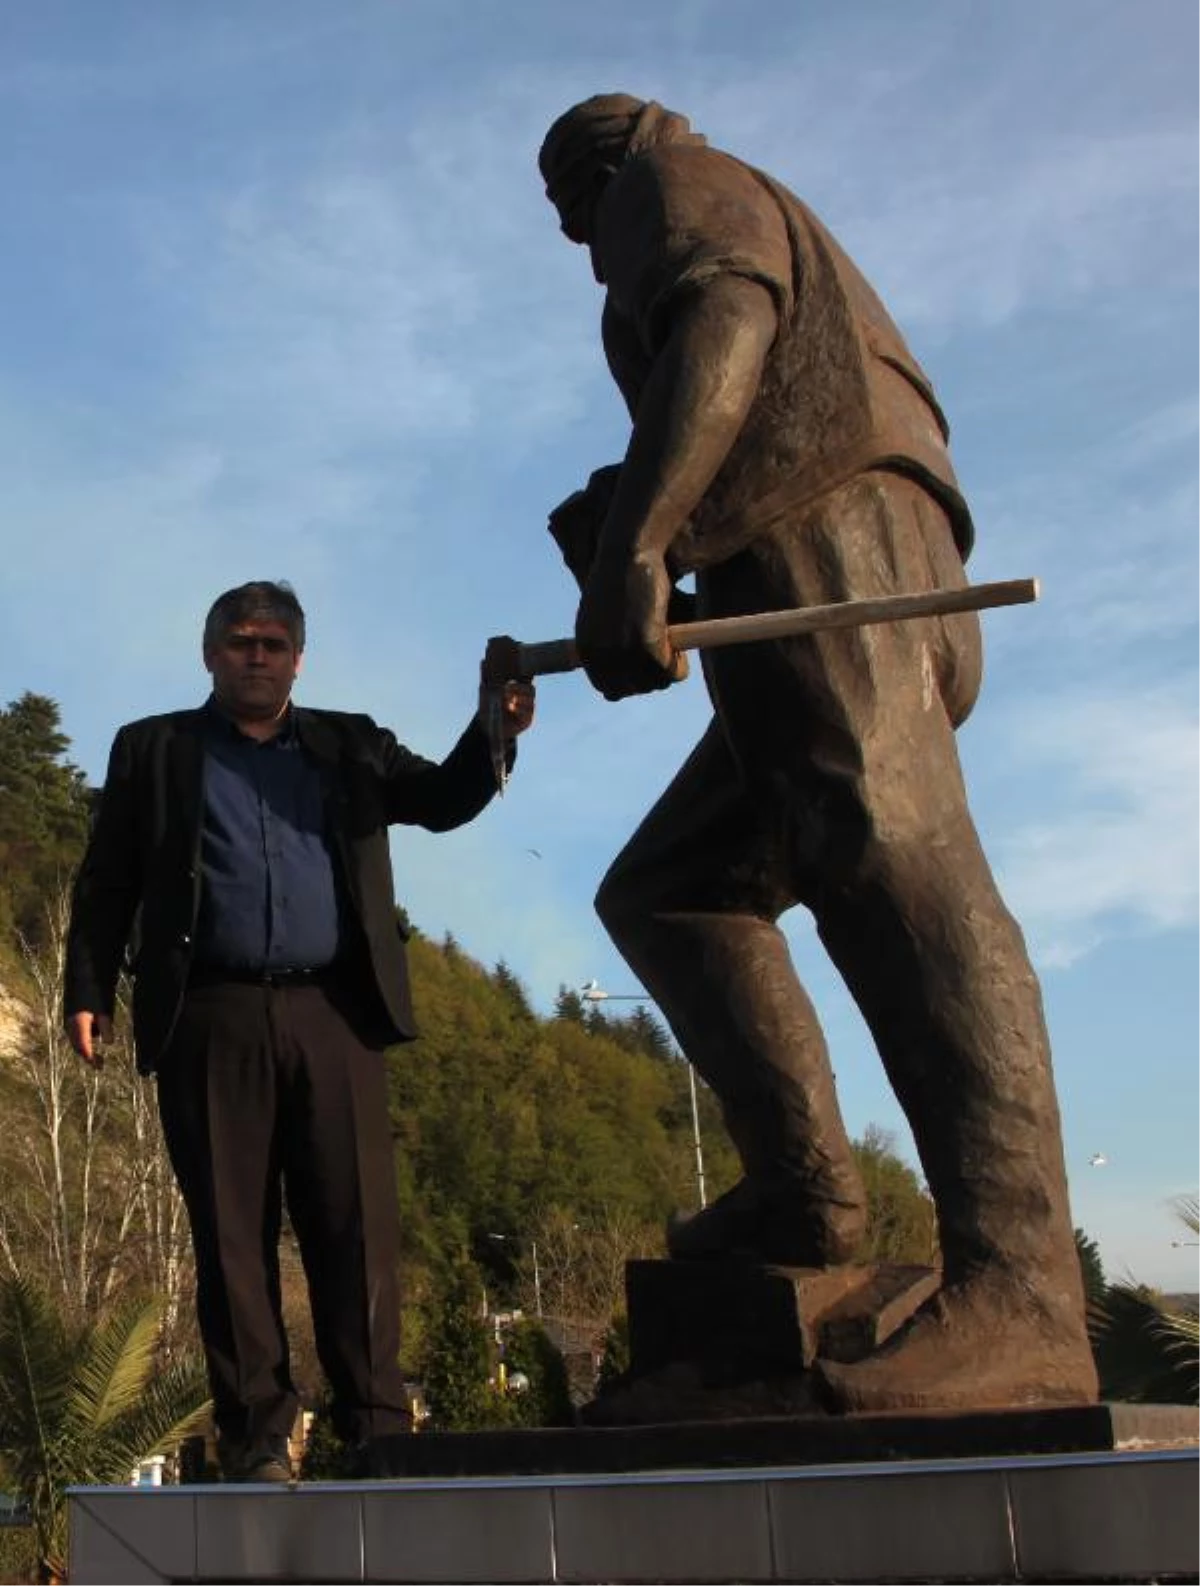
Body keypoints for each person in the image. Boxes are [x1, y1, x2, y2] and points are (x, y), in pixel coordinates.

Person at [539, 95, 1096, 1411]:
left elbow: (729, 321)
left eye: (570, 205)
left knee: (901, 870)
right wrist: (631, 516)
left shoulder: (674, 183)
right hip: (843, 556)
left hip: (834, 542)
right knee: (675, 885)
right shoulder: (715, 195)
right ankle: (804, 1194)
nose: (579, 238)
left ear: (597, 168)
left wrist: (636, 542)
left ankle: (1022, 1291)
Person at [64, 580, 535, 1479]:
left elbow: (440, 800)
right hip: (210, 1011)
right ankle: (257, 1435)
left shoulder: (348, 743)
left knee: (356, 1224)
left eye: (275, 643)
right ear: (210, 654)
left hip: (336, 1012)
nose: (257, 655)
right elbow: (107, 879)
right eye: (241, 641)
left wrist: (495, 731)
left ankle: (379, 1427)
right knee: (232, 1233)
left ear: (299, 659)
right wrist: (87, 987)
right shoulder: (154, 749)